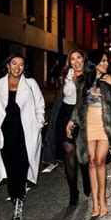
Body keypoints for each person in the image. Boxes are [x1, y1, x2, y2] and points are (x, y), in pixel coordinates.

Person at [0, 54, 45, 220]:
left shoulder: (31, 84)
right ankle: (15, 195)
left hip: (26, 131)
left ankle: (18, 199)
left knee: (22, 164)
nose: (17, 67)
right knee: (11, 166)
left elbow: (40, 105)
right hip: (5, 133)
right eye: (14, 63)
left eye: (21, 64)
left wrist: (39, 124)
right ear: (8, 65)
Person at [67, 49, 111, 218]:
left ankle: (103, 200)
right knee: (91, 162)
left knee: (100, 160)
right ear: (95, 62)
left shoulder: (109, 79)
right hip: (88, 124)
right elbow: (79, 105)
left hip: (105, 125)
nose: (106, 64)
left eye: (107, 61)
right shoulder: (83, 80)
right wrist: (72, 120)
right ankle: (95, 202)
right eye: (103, 61)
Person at [43, 49, 90, 206]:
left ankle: (86, 179)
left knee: (82, 155)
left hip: (83, 116)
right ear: (69, 62)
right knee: (69, 153)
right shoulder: (66, 76)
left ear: (84, 60)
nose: (76, 62)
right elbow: (61, 98)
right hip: (65, 115)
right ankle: (73, 192)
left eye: (79, 58)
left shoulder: (91, 76)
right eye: (73, 59)